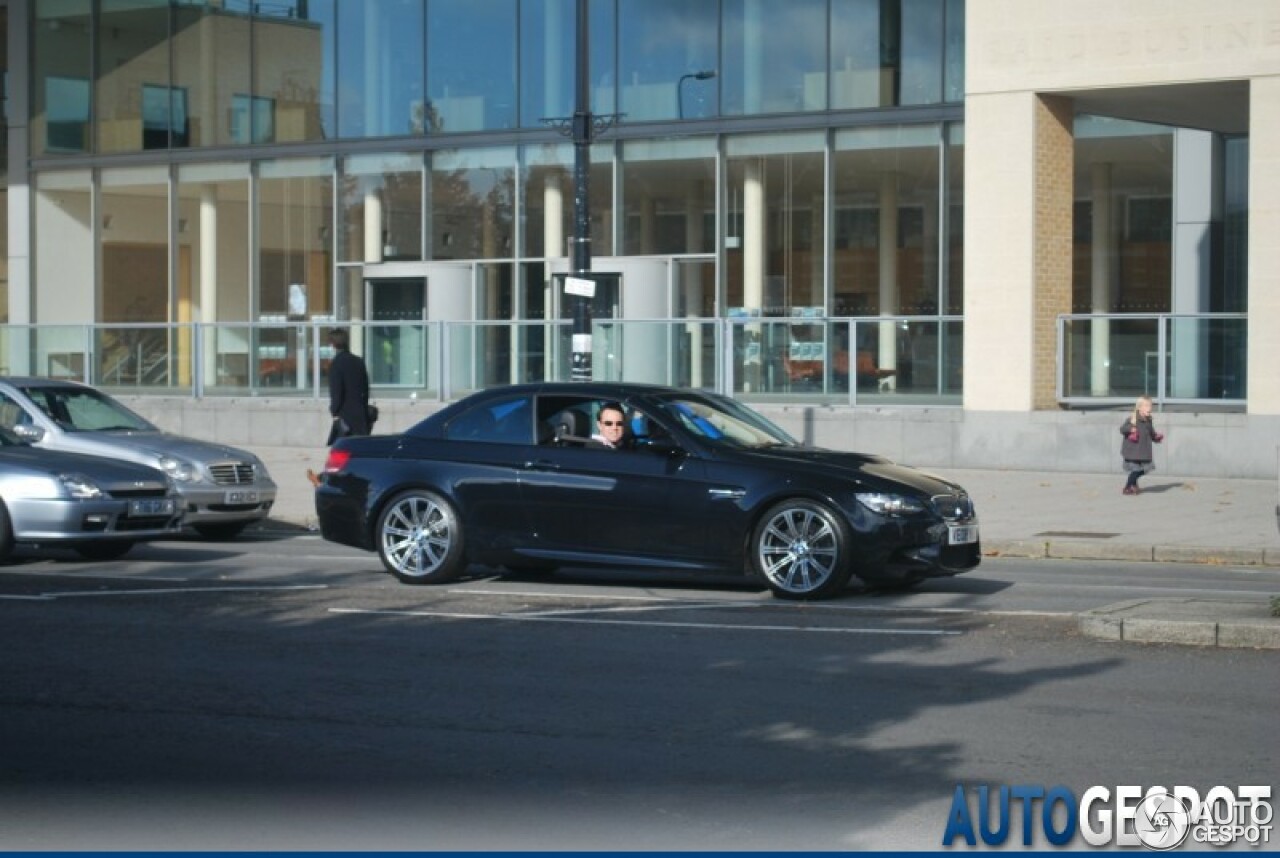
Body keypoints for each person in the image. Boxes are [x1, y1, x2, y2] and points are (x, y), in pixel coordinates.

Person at [308, 328, 371, 487]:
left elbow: (337, 392)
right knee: (356, 450)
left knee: (341, 450)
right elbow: (365, 388)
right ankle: (330, 478)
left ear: (333, 344)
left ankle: (327, 480)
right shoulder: (358, 361)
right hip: (360, 415)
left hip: (345, 414)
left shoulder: (336, 364)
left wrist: (335, 411)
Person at [1119, 395, 1164, 495]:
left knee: (1146, 469)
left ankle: (1133, 486)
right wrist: (1130, 429)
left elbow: (1151, 432)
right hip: (1133, 451)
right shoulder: (1132, 419)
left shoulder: (1148, 420)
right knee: (1136, 470)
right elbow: (1122, 429)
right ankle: (1127, 487)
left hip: (1142, 451)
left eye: (1150, 406)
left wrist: (1156, 437)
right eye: (1147, 406)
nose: (1150, 408)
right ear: (1140, 407)